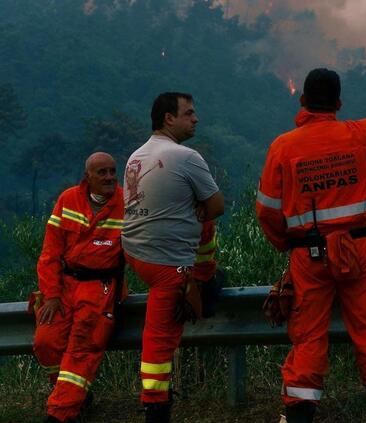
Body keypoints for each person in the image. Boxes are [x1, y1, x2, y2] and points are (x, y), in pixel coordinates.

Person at [256, 68, 366, 423]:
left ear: (302, 100)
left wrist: (287, 245)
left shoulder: (283, 146)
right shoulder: (361, 135)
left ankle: (300, 415)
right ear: (338, 103)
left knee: (307, 338)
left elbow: (267, 210)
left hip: (307, 256)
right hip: (356, 251)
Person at [122, 92, 224, 422]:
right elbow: (217, 206)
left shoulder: (135, 156)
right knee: (159, 338)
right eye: (189, 113)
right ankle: (156, 405)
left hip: (136, 254)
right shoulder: (185, 156)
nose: (195, 119)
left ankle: (204, 280)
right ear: (169, 118)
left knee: (203, 227)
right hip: (168, 265)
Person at [33, 152, 126, 423]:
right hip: (63, 287)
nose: (109, 177)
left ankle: (60, 414)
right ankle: (76, 395)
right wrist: (50, 296)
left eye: (112, 171)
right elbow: (49, 254)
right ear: (88, 176)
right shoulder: (68, 199)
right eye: (102, 172)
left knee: (81, 350)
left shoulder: (127, 202)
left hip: (101, 288)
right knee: (45, 343)